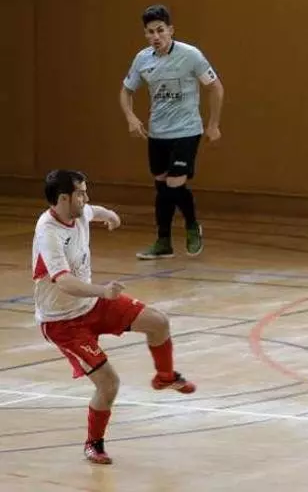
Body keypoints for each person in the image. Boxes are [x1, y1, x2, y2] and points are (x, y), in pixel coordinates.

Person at [33, 170, 197, 464]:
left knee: (158, 322)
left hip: (92, 304)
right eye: (81, 193)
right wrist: (102, 291)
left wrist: (110, 215)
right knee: (108, 384)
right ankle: (93, 444)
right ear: (63, 198)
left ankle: (165, 378)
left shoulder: (79, 212)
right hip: (63, 322)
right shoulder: (48, 232)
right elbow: (64, 282)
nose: (86, 198)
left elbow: (94, 211)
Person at [119, 3, 224, 260]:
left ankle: (192, 226)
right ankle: (163, 242)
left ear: (170, 30)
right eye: (150, 32)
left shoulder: (191, 56)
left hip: (187, 131)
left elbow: (215, 88)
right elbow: (126, 91)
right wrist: (131, 117)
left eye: (160, 30)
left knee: (175, 184)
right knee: (162, 187)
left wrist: (213, 124)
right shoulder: (143, 59)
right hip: (157, 133)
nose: (156, 36)